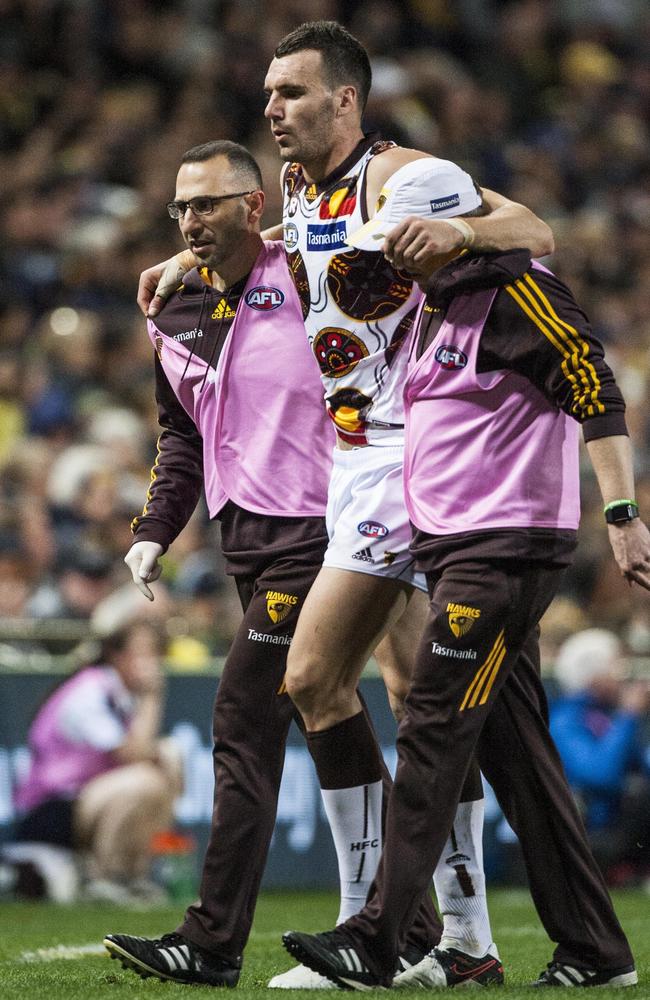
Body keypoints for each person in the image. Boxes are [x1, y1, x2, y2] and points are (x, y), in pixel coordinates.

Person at [135, 20, 554, 989]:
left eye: (289, 92)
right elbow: (304, 243)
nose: (271, 107)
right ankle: (452, 939)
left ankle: (397, 933)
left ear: (344, 100)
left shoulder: (394, 169)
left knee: (342, 681)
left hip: (415, 452)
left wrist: (457, 232)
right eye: (268, 92)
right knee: (389, 695)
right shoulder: (298, 187)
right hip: (357, 461)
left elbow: (530, 229)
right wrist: (198, 262)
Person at [281, 163, 650, 990]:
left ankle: (378, 939)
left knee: (434, 721)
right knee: (515, 753)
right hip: (454, 550)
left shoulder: (520, 292)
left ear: (437, 230)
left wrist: (622, 516)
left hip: (503, 551)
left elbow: (595, 386)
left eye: (400, 241)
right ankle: (596, 950)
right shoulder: (440, 301)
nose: (392, 260)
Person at [104, 139, 441, 989]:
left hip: (325, 531)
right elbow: (180, 437)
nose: (190, 221)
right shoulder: (172, 313)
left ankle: (212, 940)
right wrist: (154, 528)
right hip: (244, 542)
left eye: (208, 204)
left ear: (254, 207)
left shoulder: (305, 279)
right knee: (322, 702)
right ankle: (410, 924)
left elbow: (344, 240)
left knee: (242, 716)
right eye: (180, 208)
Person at [8, 621, 179, 904]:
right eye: (143, 653)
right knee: (146, 779)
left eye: (155, 654)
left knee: (170, 761)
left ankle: (135, 876)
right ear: (117, 656)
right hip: (52, 808)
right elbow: (133, 754)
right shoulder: (89, 691)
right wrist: (152, 697)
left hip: (89, 800)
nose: (152, 664)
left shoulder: (120, 695)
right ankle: (106, 876)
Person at [551, 628, 650, 885]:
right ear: (592, 674)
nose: (623, 676)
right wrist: (628, 716)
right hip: (588, 830)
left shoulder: (610, 714)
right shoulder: (565, 718)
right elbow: (599, 775)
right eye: (615, 667)